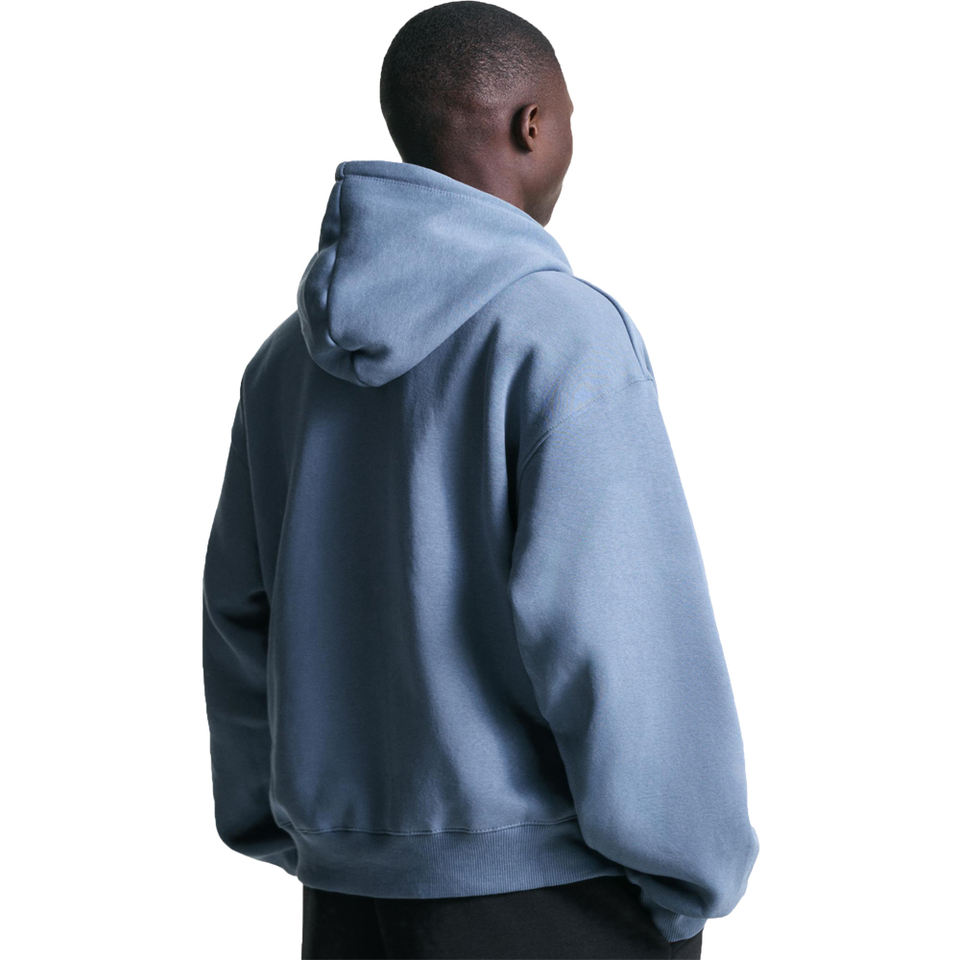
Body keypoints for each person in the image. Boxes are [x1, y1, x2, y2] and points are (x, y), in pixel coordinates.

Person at [201, 2, 760, 957]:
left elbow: (238, 615)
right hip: (555, 897)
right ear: (532, 124)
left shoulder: (286, 363)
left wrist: (301, 830)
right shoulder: (561, 336)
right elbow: (620, 633)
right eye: (570, 118)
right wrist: (688, 875)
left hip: (348, 895)